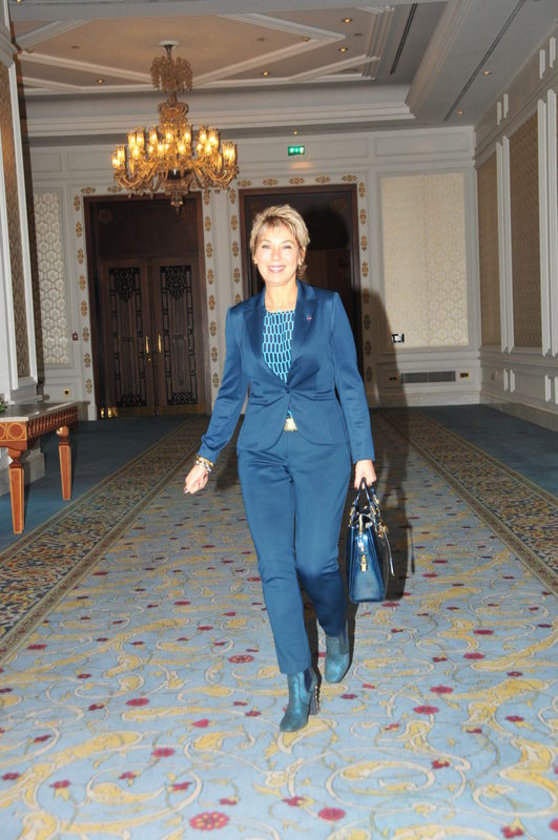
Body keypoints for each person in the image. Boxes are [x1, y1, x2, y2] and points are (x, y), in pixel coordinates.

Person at [184, 204, 376, 732]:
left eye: (286, 246)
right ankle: (298, 680)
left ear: (301, 254)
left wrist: (363, 453)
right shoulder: (240, 318)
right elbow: (231, 394)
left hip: (323, 450)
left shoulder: (327, 308)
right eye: (265, 246)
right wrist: (207, 454)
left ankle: (336, 629)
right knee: (274, 568)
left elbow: (349, 383)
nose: (275, 256)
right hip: (261, 453)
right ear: (253, 255)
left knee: (315, 563)